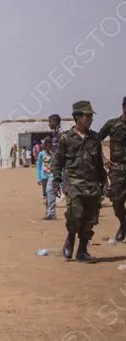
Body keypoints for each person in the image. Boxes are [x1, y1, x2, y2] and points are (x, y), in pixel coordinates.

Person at [54, 101, 107, 263]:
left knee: (90, 219)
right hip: (74, 183)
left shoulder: (94, 138)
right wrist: (56, 181)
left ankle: (82, 251)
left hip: (92, 185)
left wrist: (104, 180)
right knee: (75, 216)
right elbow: (58, 162)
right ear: (78, 117)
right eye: (88, 115)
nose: (91, 118)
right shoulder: (66, 138)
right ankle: (70, 239)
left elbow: (98, 163)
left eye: (91, 115)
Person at [95, 96, 126, 242]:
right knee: (117, 201)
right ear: (123, 107)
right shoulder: (113, 124)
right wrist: (104, 159)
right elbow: (94, 142)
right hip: (118, 170)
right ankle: (123, 223)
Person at [38, 138, 56, 220]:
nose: (49, 147)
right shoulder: (41, 154)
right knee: (45, 194)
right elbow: (39, 166)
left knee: (51, 193)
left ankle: (51, 212)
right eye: (47, 145)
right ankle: (47, 210)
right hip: (44, 176)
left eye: (50, 145)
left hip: (51, 176)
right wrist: (39, 178)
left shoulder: (53, 154)